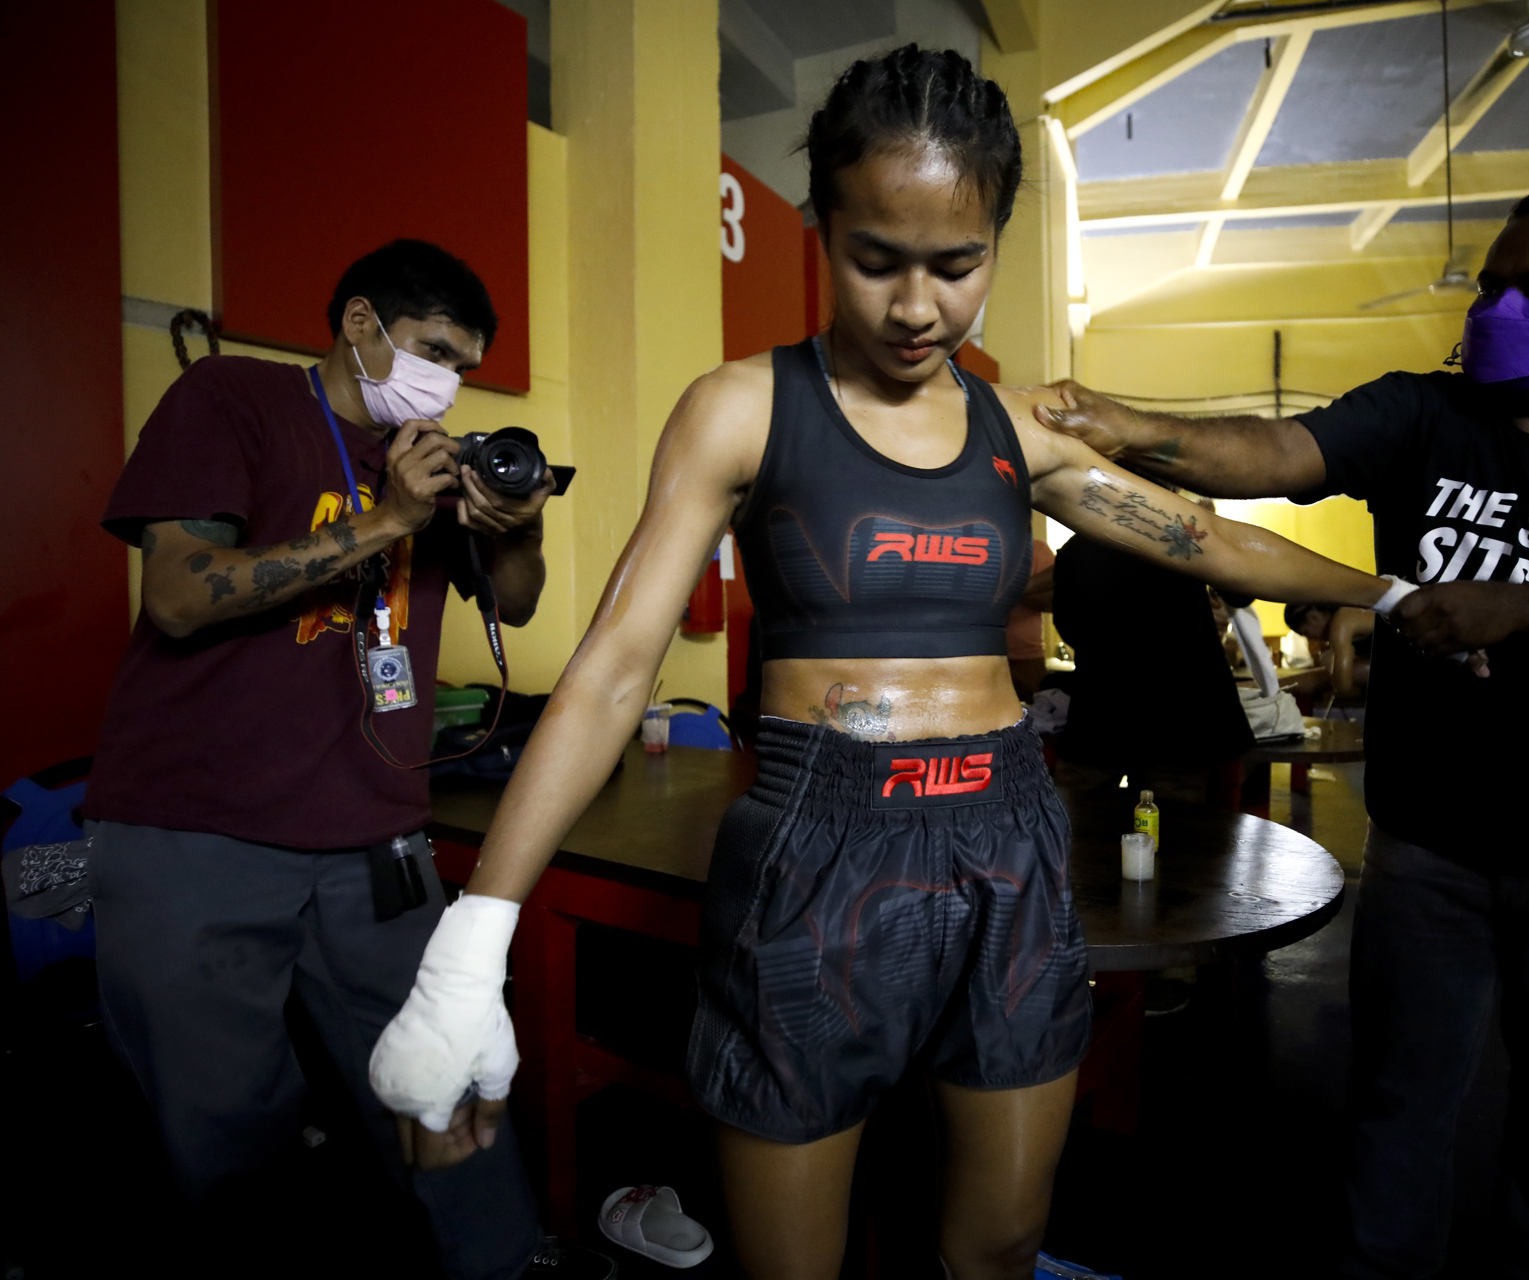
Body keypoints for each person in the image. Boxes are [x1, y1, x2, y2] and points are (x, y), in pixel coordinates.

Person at [365, 47, 1404, 1280]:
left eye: (956, 266)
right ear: (822, 233)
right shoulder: (742, 407)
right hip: (820, 847)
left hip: (1009, 831)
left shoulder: (1018, 427)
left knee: (1003, 1238)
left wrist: (1390, 592)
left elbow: (1201, 532)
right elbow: (609, 667)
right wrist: (475, 935)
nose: (917, 307)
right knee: (792, 1264)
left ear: (996, 248)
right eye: (877, 260)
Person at [1039, 184, 1529, 1279]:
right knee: (1399, 1099)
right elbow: (1271, 454)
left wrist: (1518, 604)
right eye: (1489, 285)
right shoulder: (1420, 416)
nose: (1497, 310)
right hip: (1430, 845)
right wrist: (1126, 423)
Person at [82, 241, 604, 1278]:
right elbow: (180, 596)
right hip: (197, 834)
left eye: (467, 364)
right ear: (361, 323)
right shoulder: (232, 399)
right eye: (434, 350)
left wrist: (515, 524)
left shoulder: (433, 455)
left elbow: (519, 600)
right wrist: (387, 522)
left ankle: (504, 1263)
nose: (448, 382)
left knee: (442, 1067)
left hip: (373, 834)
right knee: (224, 1122)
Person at [1050, 527, 1256, 809]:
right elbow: (1241, 592)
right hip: (1177, 712)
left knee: (1079, 818)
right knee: (1171, 827)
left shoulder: (1080, 546)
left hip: (1101, 705)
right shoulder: (1183, 538)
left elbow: (1068, 626)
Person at [1283, 600, 1376, 702]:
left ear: (1313, 617)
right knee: (1325, 675)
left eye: (1306, 633)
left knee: (1328, 675)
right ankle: (1273, 686)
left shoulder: (1343, 621)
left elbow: (1343, 687)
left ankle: (1273, 686)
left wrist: (1331, 662)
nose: (1310, 639)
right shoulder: (1348, 614)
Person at [1005, 536, 1054, 700]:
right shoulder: (976, 544)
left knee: (1037, 718)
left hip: (1027, 658)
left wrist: (1010, 590)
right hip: (977, 654)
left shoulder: (1037, 548)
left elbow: (1054, 602)